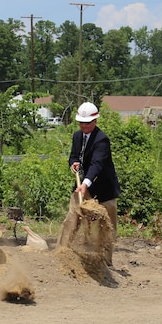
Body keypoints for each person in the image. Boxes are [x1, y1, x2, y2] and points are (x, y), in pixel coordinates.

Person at [69, 101, 121, 242]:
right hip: (82, 187)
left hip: (104, 190)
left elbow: (96, 164)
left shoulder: (102, 140)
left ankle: (105, 260)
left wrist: (85, 184)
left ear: (96, 120)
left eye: (88, 123)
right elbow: (74, 155)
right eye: (82, 123)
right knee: (72, 219)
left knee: (106, 227)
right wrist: (73, 164)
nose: (84, 126)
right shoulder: (77, 136)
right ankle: (66, 248)